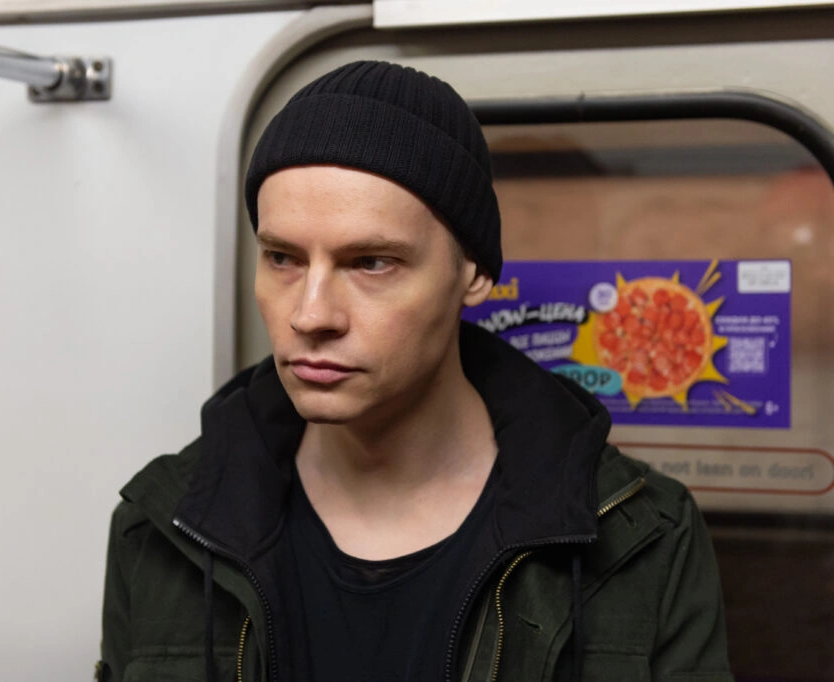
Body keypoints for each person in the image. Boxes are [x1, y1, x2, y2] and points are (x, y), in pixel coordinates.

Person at [97, 60, 733, 682]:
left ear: (472, 273)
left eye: (371, 263)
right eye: (283, 258)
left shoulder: (642, 539)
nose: (311, 314)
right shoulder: (162, 530)